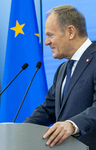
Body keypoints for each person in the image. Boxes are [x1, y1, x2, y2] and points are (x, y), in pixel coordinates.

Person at [24, 5, 96, 150]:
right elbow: (47, 110)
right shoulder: (63, 69)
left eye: (50, 35)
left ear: (70, 32)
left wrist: (72, 125)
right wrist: (19, 130)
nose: (46, 42)